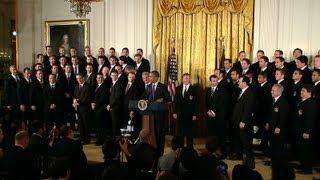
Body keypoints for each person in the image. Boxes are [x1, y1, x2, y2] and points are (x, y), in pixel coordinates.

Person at [231, 76, 255, 163]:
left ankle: (250, 160)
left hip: (243, 122)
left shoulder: (249, 93)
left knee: (246, 142)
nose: (238, 83)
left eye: (240, 81)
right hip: (238, 120)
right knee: (239, 139)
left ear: (244, 83)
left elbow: (247, 109)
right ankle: (239, 155)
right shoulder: (241, 91)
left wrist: (243, 121)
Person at [147, 71, 170, 156]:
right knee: (152, 133)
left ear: (156, 77)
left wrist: (162, 100)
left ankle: (160, 152)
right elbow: (145, 97)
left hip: (160, 115)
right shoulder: (148, 86)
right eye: (149, 76)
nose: (149, 78)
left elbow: (168, 98)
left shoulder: (162, 86)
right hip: (149, 114)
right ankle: (152, 150)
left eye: (151, 76)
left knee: (159, 134)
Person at [295, 85, 317, 174]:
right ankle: (303, 165)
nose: (301, 92)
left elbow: (310, 119)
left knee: (306, 150)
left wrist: (307, 131)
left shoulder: (311, 103)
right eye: (301, 90)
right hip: (300, 130)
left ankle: (307, 169)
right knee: (302, 149)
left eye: (303, 91)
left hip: (306, 131)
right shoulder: (303, 102)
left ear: (309, 93)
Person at [173, 73, 198, 147]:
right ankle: (180, 148)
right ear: (182, 79)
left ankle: (189, 149)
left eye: (188, 78)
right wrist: (174, 112)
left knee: (189, 133)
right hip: (180, 114)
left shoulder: (194, 89)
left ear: (190, 79)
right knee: (180, 133)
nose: (186, 79)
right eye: (185, 78)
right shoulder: (178, 88)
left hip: (190, 115)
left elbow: (196, 103)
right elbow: (175, 101)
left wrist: (195, 114)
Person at [205, 75, 227, 155]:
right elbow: (206, 103)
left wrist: (214, 112)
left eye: (216, 80)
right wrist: (208, 111)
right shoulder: (208, 90)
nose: (214, 82)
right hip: (210, 117)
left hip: (219, 116)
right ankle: (211, 150)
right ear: (210, 81)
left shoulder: (222, 90)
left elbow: (221, 103)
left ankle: (222, 152)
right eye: (213, 81)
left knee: (220, 135)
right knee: (211, 134)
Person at [267, 84, 289, 164]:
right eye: (271, 90)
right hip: (272, 127)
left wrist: (279, 127)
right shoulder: (273, 100)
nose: (271, 91)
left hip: (278, 128)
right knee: (272, 144)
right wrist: (267, 123)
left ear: (279, 92)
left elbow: (284, 117)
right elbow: (270, 114)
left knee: (278, 145)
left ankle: (277, 161)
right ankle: (273, 160)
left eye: (273, 90)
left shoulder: (283, 102)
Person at [73, 74, 91, 144]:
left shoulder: (87, 86)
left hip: (85, 108)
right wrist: (74, 101)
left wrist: (77, 101)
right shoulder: (77, 86)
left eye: (80, 78)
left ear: (83, 78)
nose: (79, 80)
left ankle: (87, 139)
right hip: (78, 109)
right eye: (77, 78)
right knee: (80, 124)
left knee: (86, 124)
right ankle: (81, 138)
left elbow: (87, 98)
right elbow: (74, 95)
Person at [91, 74, 109, 145]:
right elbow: (94, 96)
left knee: (102, 126)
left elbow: (103, 99)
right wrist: (92, 103)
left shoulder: (104, 87)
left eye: (101, 78)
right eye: (98, 78)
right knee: (98, 125)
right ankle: (99, 139)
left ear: (103, 79)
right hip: (96, 109)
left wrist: (95, 104)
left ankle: (102, 140)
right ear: (96, 79)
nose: (99, 79)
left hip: (101, 109)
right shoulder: (96, 86)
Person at [107, 71, 124, 136]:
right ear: (110, 76)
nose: (114, 77)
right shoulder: (111, 83)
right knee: (113, 123)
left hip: (116, 107)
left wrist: (110, 105)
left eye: (115, 75)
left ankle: (115, 138)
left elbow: (117, 97)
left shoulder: (119, 84)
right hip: (112, 107)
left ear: (117, 76)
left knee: (115, 123)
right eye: (112, 75)